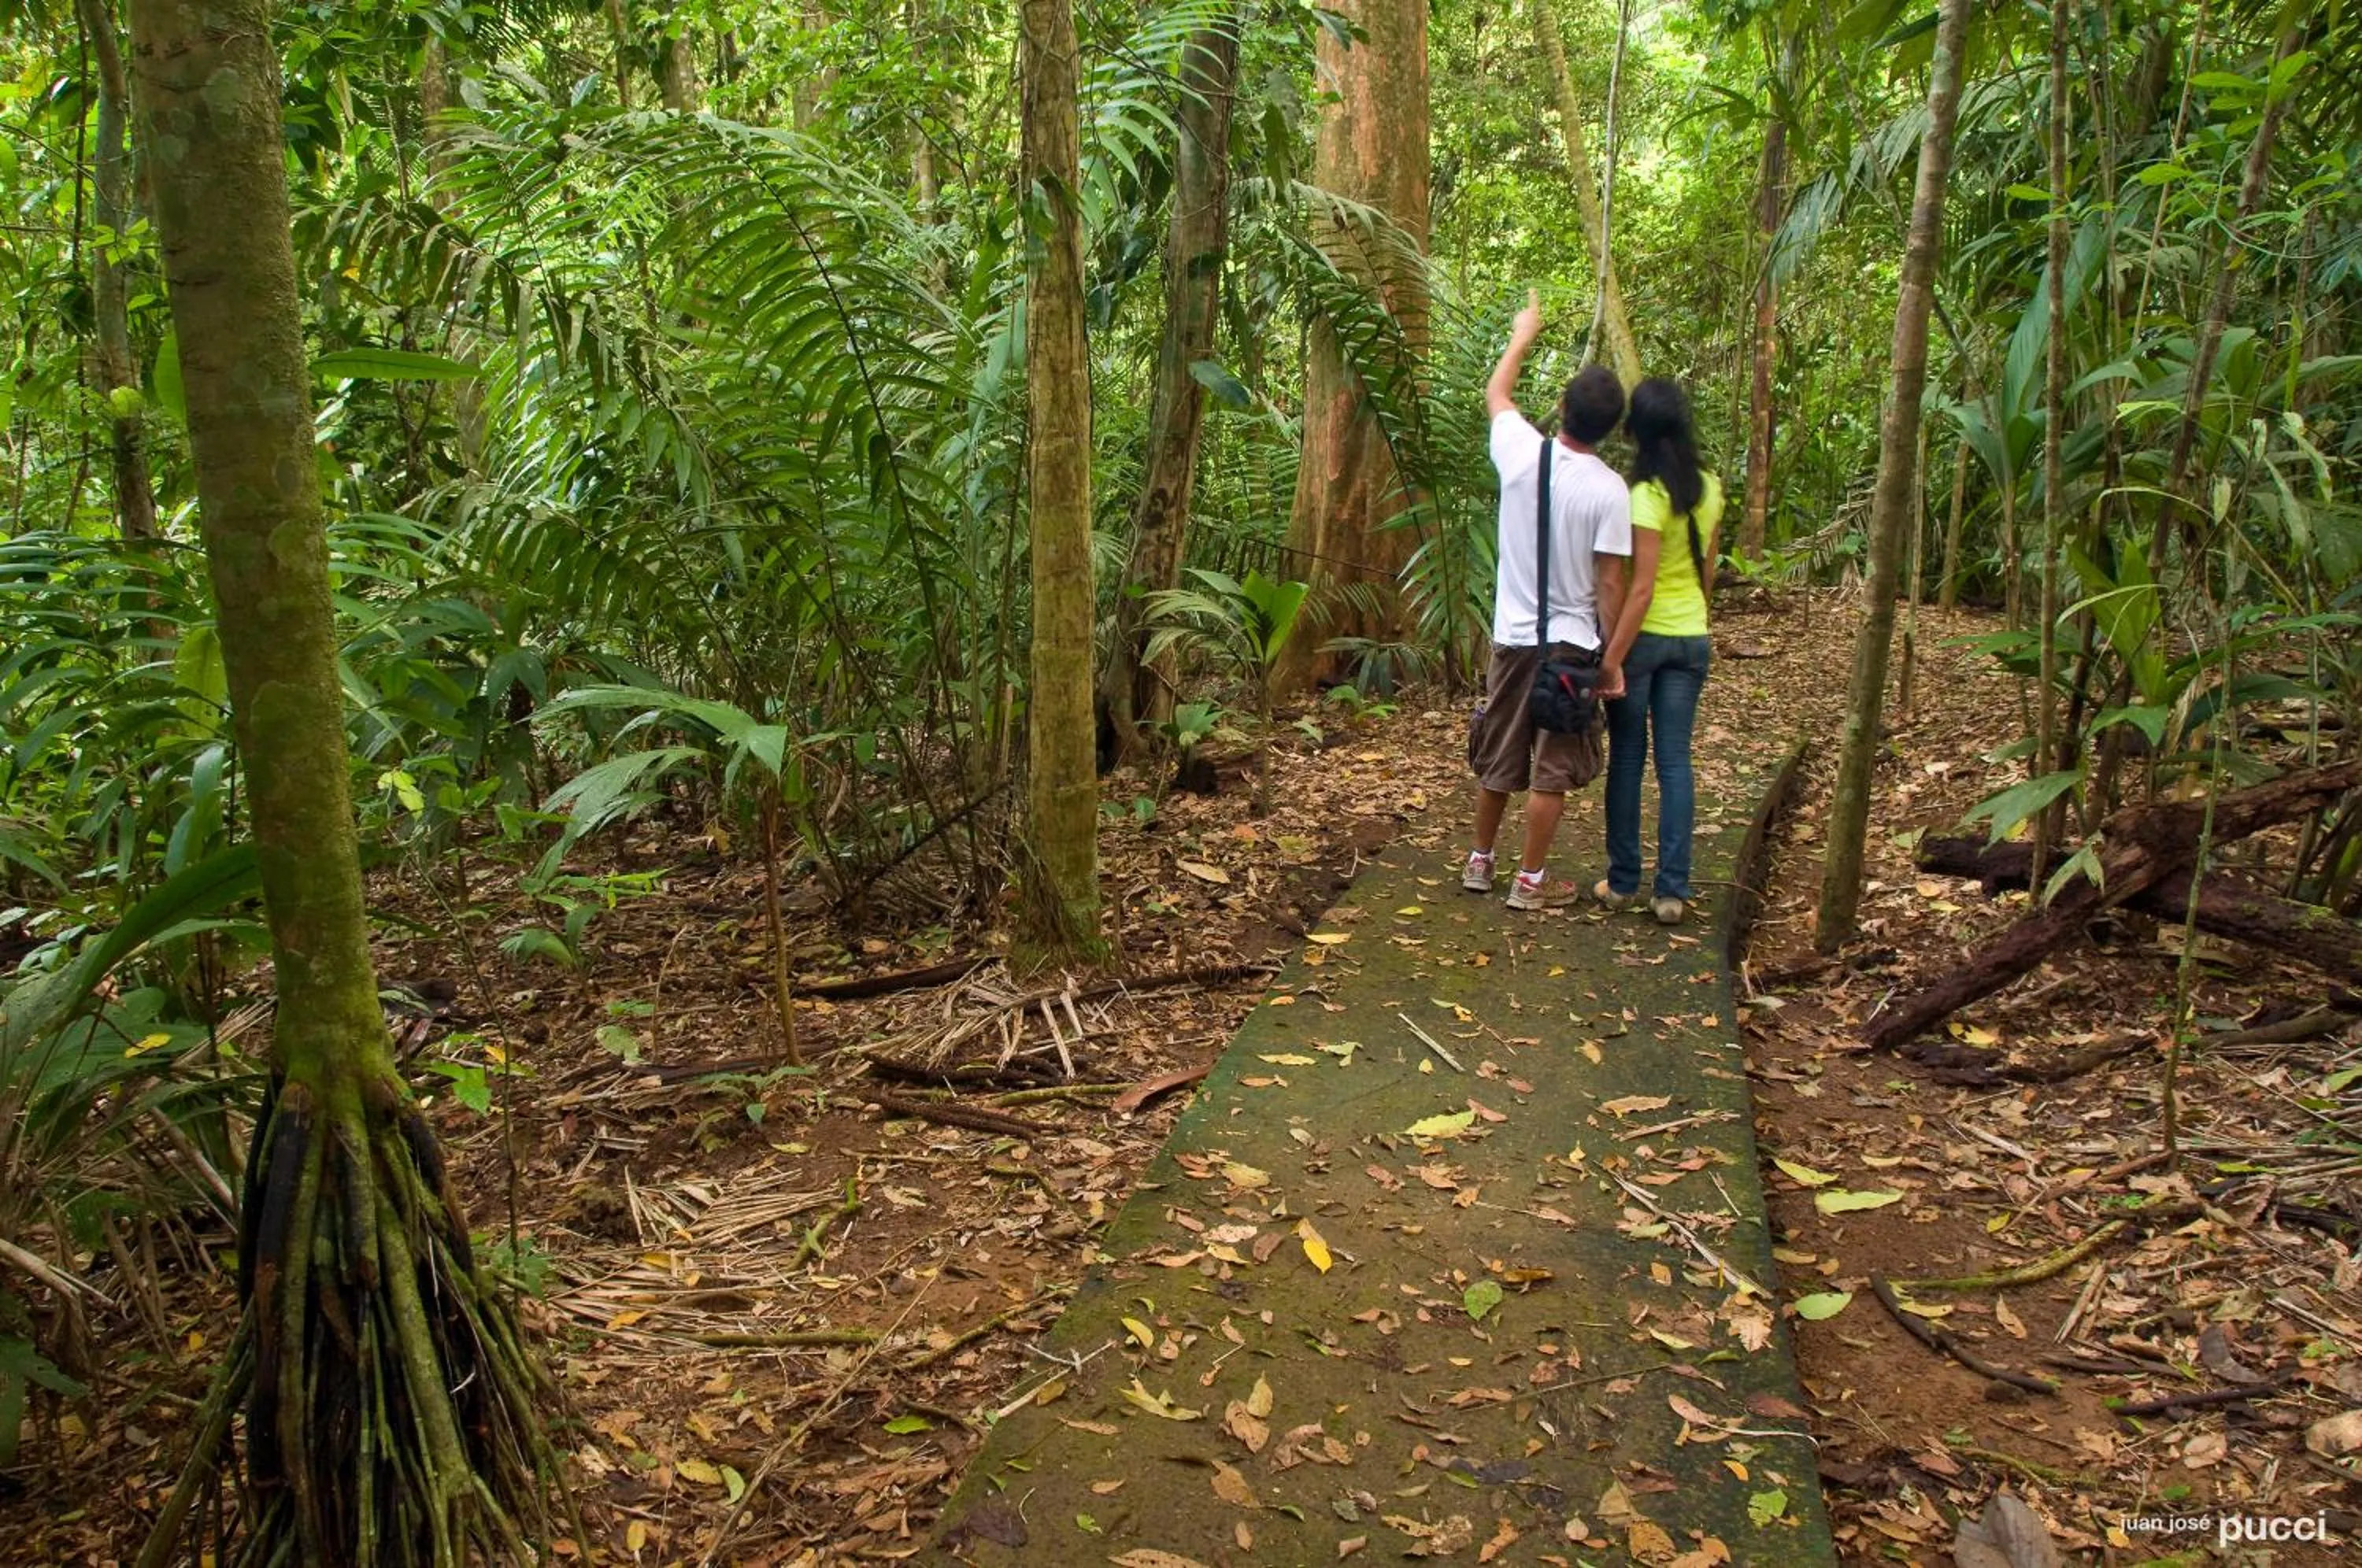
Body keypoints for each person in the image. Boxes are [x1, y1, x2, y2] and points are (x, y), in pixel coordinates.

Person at [1463, 291, 1633, 912]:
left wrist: (1523, 334)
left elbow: (1498, 396)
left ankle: (1480, 860)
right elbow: (1609, 583)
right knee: (1552, 766)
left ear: (1560, 408)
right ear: (1611, 429)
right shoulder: (1610, 490)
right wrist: (1612, 661)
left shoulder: (1520, 454)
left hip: (1512, 637)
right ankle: (1530, 881)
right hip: (1572, 646)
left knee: (1500, 752)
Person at [1594, 376, 1723, 925]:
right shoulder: (1710, 487)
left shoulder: (1645, 497)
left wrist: (1612, 657)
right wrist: (1697, 618)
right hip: (1692, 636)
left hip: (1645, 639)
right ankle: (1671, 891)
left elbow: (1639, 587)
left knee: (1627, 756)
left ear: (1637, 432)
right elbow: (1708, 570)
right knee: (1675, 760)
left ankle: (1623, 882)